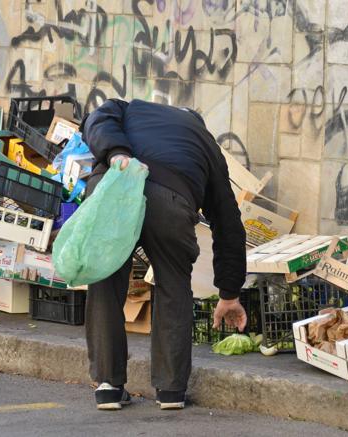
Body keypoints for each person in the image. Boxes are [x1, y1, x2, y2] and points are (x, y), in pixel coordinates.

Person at [79, 98, 247, 411]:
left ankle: (108, 386)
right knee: (173, 285)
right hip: (171, 200)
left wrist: (117, 154)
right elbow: (228, 225)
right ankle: (170, 391)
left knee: (105, 277)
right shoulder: (206, 144)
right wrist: (229, 293)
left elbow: (95, 119)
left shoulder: (128, 108)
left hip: (114, 186)